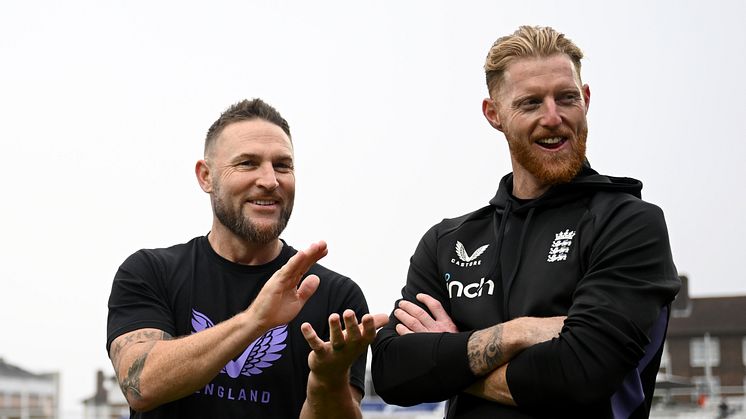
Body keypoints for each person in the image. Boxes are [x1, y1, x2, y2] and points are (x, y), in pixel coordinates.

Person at [371, 25, 680, 418]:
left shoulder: (628, 223)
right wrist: (520, 333)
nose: (553, 118)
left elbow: (580, 374)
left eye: (566, 98)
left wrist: (448, 358)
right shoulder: (448, 241)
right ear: (494, 114)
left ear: (585, 100)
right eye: (531, 103)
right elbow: (391, 371)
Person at [107, 98, 387, 418]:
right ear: (206, 176)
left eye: (282, 165)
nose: (270, 180)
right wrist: (254, 321)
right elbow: (140, 386)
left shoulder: (335, 295)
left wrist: (328, 381)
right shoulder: (150, 272)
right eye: (247, 163)